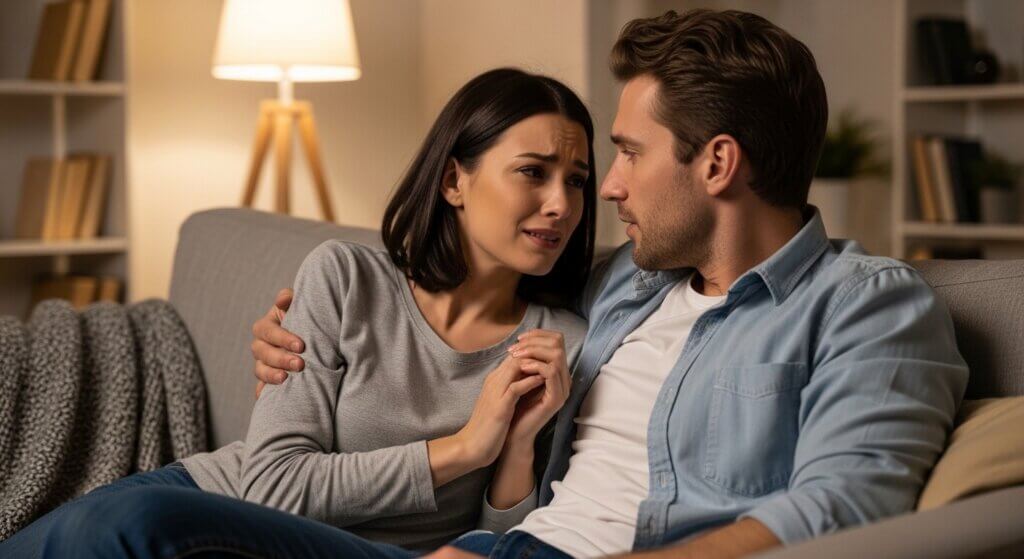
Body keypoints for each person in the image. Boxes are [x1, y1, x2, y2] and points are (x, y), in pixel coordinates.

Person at [250, 9, 970, 559]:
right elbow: (468, 289)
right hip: (490, 547)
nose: (608, 190)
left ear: (717, 164)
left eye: (627, 155)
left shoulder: (867, 304)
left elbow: (842, 508)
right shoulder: (626, 280)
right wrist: (304, 331)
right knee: (145, 517)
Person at [0, 68, 597, 557]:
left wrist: (516, 444)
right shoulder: (346, 277)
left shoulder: (562, 345)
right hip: (213, 498)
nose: (560, 205)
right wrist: (466, 448)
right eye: (532, 172)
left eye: (576, 181)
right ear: (452, 181)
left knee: (122, 527)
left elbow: (494, 550)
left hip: (327, 547)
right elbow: (272, 485)